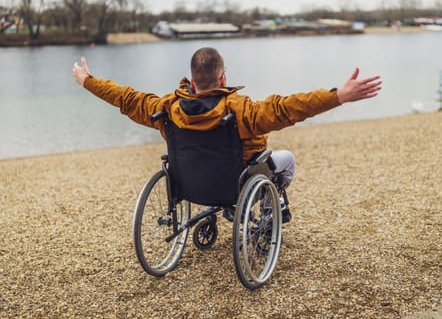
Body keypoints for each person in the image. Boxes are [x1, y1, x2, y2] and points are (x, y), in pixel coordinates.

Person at [72, 47, 382, 223]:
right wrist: (338, 96)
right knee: (286, 160)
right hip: (236, 183)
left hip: (189, 183)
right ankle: (267, 209)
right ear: (223, 77)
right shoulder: (241, 110)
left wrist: (88, 81)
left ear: (191, 81)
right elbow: (289, 108)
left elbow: (127, 98)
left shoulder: (166, 109)